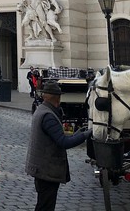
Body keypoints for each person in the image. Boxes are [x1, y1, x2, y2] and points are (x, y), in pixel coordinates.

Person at [26, 82, 91, 211]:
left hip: (41, 169)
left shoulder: (42, 110)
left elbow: (60, 137)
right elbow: (63, 142)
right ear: (58, 98)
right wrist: (86, 135)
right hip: (46, 170)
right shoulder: (49, 116)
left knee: (43, 204)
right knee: (45, 206)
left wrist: (78, 133)